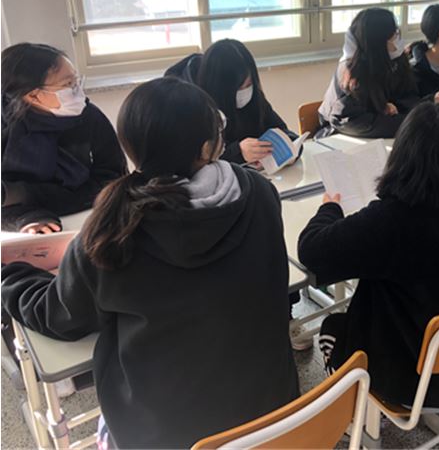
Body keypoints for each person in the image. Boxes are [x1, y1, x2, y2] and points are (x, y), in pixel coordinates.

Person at [1, 77, 300, 448]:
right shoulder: (258, 192)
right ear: (208, 146)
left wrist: (12, 274)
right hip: (276, 416)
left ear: (131, 147)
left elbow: (59, 316)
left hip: (167, 435)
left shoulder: (114, 228)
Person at [299, 102, 439, 407]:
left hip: (411, 381)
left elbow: (311, 251)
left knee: (333, 327)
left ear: (402, 158)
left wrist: (329, 208)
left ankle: (353, 409)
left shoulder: (393, 221)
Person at [1, 43, 126, 232]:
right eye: (68, 84)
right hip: (31, 227)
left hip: (89, 215)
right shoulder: (7, 129)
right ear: (34, 96)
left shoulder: (88, 116)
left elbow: (113, 177)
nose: (77, 90)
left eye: (76, 80)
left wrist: (24, 194)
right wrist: (26, 219)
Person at [165, 38, 300, 165]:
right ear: (220, 87)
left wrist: (290, 149)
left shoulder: (253, 97)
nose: (245, 91)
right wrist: (238, 152)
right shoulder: (190, 106)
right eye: (238, 87)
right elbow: (195, 159)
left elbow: (281, 130)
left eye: (249, 84)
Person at [318, 8, 433, 138]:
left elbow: (407, 96)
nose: (398, 38)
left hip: (382, 131)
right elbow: (349, 120)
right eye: (394, 34)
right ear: (378, 41)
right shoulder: (351, 72)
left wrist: (427, 105)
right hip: (341, 137)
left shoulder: (396, 60)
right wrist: (408, 123)